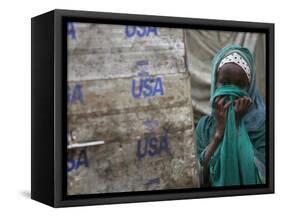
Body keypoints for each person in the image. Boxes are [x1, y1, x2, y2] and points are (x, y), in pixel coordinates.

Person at [196, 44, 266, 187]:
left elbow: (263, 177)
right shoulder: (204, 126)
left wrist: (236, 125)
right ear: (215, 84)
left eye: (240, 85)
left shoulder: (263, 126)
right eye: (225, 83)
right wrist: (218, 135)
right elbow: (199, 177)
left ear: (250, 88)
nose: (232, 91)